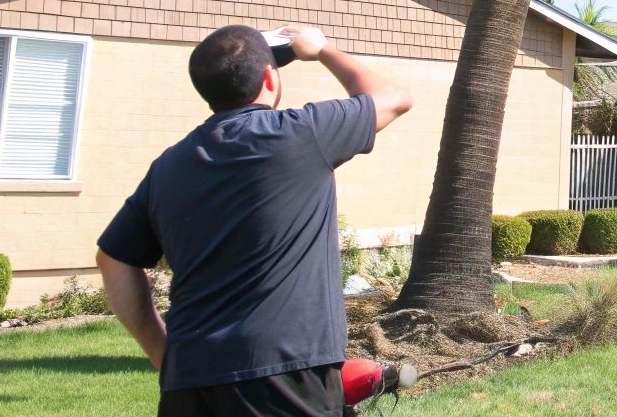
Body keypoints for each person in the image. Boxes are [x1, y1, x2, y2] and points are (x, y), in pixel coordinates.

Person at [96, 24, 413, 416]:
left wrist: (167, 356)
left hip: (190, 382)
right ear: (268, 77)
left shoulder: (169, 166)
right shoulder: (299, 134)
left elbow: (112, 259)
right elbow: (393, 98)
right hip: (282, 377)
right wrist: (321, 50)